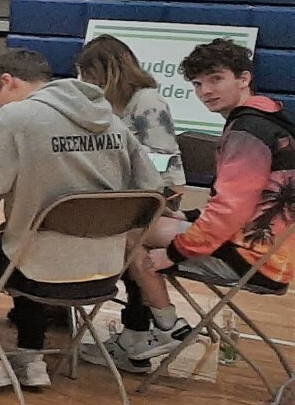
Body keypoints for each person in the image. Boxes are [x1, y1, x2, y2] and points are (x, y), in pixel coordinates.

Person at [0, 49, 162, 390]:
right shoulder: (110, 118)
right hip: (107, 268)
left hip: (40, 269)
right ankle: (30, 358)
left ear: (6, 82)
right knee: (25, 238)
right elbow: (152, 189)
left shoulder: (16, 119)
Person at [93, 39, 295, 371]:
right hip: (270, 251)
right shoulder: (272, 118)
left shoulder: (248, 132)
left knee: (128, 236)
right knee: (143, 226)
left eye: (216, 79)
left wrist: (173, 253)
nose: (205, 91)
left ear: (243, 78)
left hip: (250, 258)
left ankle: (164, 329)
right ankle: (149, 329)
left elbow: (229, 211)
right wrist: (185, 216)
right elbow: (246, 204)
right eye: (198, 84)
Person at [78, 34, 186, 191]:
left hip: (157, 190)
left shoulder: (147, 101)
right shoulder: (98, 104)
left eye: (90, 76)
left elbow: (163, 158)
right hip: (114, 187)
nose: (85, 82)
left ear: (109, 74)